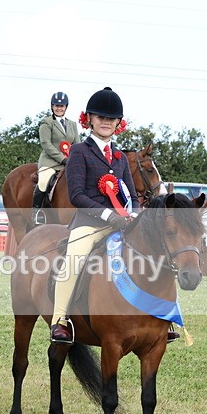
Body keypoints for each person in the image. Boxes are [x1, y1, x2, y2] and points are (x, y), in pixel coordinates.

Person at [49, 87, 139, 344]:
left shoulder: (121, 158)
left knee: (153, 253)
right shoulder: (79, 151)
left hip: (122, 225)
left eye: (111, 118)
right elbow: (77, 194)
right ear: (89, 119)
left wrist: (134, 215)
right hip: (89, 224)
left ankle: (158, 317)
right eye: (100, 117)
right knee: (74, 260)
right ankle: (60, 320)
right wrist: (109, 216)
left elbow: (132, 195)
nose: (106, 122)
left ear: (118, 123)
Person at [33, 91, 81, 225]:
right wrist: (62, 159)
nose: (59, 108)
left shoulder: (72, 124)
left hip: (68, 162)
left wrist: (76, 158)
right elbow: (46, 144)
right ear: (52, 107)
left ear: (66, 107)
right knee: (43, 181)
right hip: (50, 163)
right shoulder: (46, 122)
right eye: (56, 106)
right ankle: (37, 213)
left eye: (61, 106)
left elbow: (76, 144)